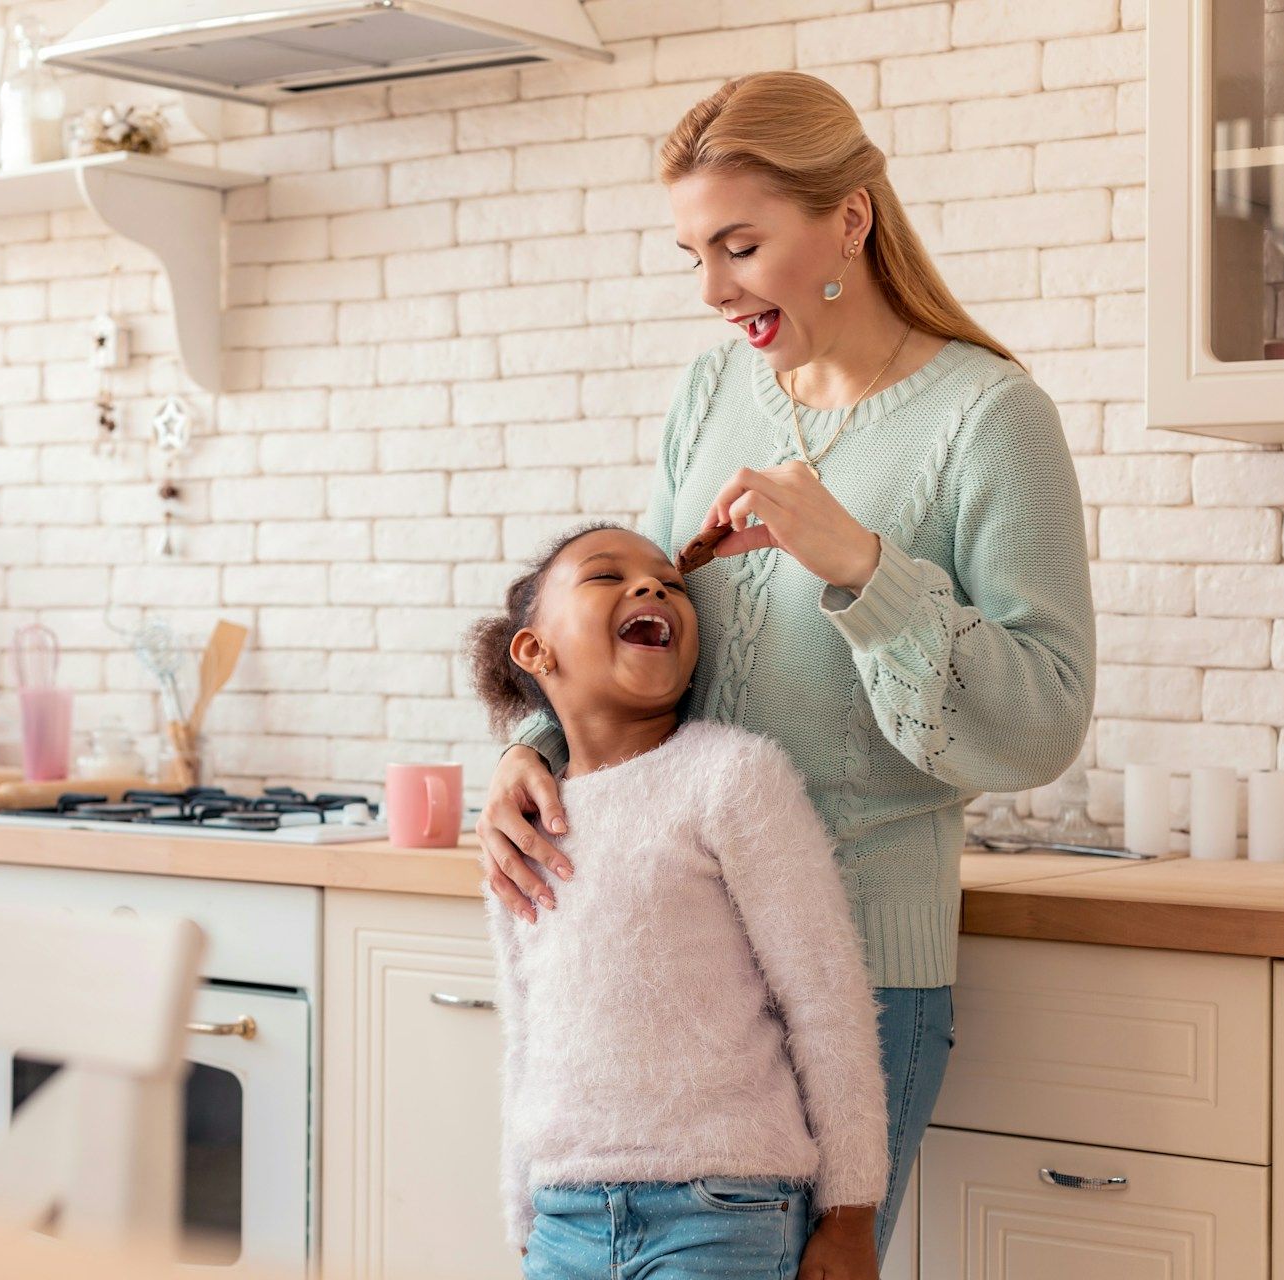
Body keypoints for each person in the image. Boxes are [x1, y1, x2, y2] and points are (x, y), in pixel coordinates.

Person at [475, 71, 1097, 1262]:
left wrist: (865, 568)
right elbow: (635, 640)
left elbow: (1042, 724)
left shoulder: (990, 417)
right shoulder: (712, 391)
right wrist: (528, 748)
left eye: (741, 245)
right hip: (668, 955)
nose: (714, 291)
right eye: (693, 254)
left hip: (854, 979)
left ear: (849, 221)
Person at [466, 522, 887, 1279]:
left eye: (669, 580)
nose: (654, 586)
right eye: (605, 576)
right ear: (534, 651)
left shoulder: (731, 777)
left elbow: (826, 999)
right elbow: (526, 1035)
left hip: (723, 1212)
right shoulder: (523, 829)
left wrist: (852, 1211)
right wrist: (521, 1215)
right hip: (563, 1220)